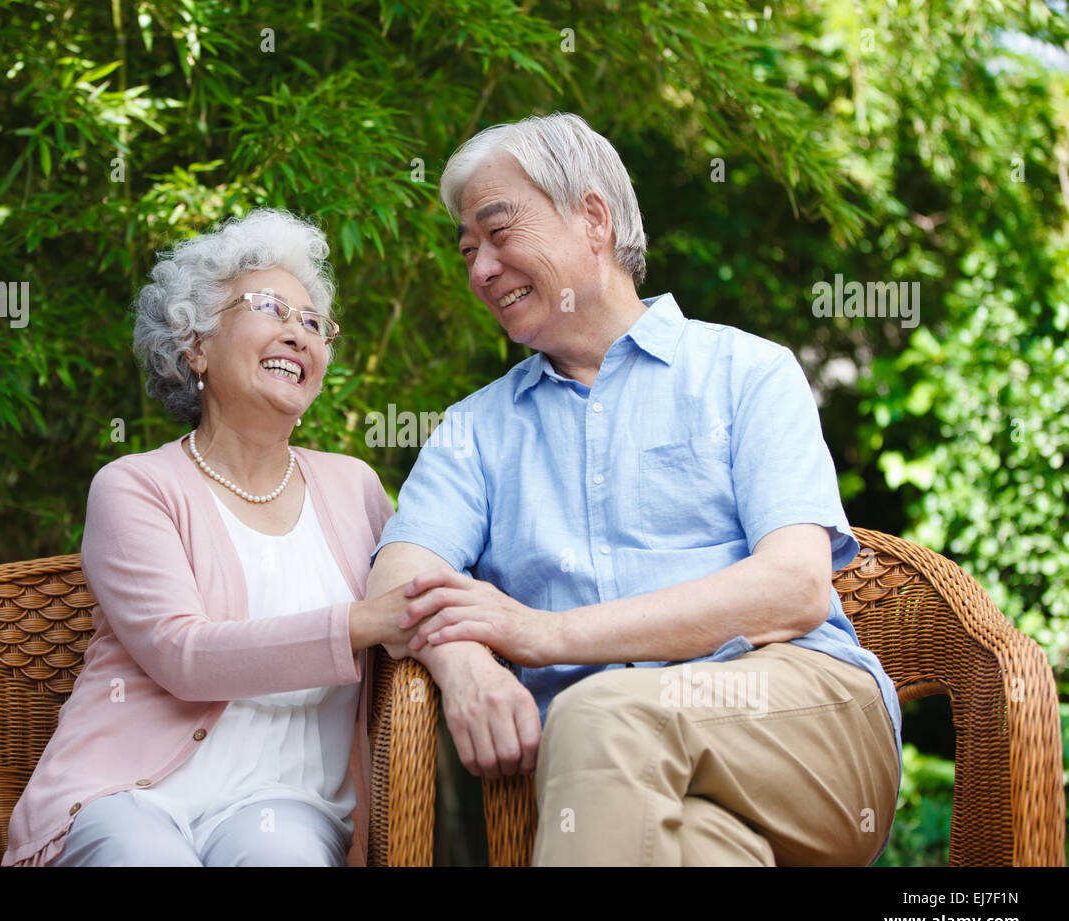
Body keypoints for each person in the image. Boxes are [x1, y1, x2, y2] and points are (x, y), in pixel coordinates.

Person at [367, 112, 903, 866]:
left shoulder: (748, 372)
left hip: (800, 721)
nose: (480, 269)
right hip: (619, 785)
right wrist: (466, 665)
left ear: (592, 218)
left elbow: (794, 588)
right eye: (467, 251)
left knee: (596, 714)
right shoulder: (475, 429)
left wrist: (542, 635)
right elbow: (397, 579)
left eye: (498, 232)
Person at [2, 207, 422, 867]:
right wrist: (360, 622)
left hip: (290, 804)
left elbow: (423, 594)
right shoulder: (135, 487)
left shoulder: (356, 489)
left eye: (314, 323)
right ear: (194, 344)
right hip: (130, 796)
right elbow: (184, 655)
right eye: (270, 309)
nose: (298, 332)